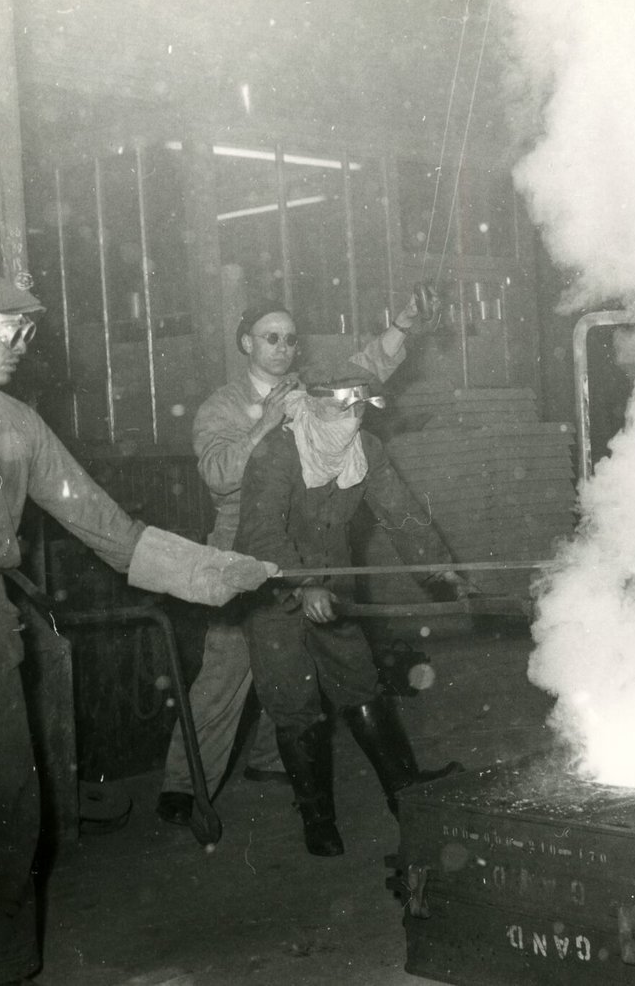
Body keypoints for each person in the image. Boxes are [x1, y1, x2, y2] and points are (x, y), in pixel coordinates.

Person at [0, 268, 275, 986]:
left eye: (26, 330)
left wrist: (212, 572)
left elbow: (109, 528)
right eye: (8, 330)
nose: (22, 343)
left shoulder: (19, 425)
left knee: (3, 808)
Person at [155, 294, 436, 827]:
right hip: (242, 551)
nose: (283, 347)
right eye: (270, 338)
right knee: (226, 673)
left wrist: (401, 326)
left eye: (289, 338)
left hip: (305, 544)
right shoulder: (222, 406)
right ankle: (183, 784)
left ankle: (269, 761)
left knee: (290, 668)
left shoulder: (306, 389)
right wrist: (265, 425)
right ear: (246, 343)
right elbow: (217, 474)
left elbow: (361, 370)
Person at [234, 363, 470, 857]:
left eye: (362, 408)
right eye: (344, 408)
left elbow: (402, 514)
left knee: (361, 684)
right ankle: (318, 818)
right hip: (274, 597)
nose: (354, 419)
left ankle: (404, 795)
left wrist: (438, 570)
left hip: (335, 594)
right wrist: (304, 585)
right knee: (295, 704)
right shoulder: (276, 453)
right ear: (314, 404)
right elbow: (261, 534)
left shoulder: (366, 451)